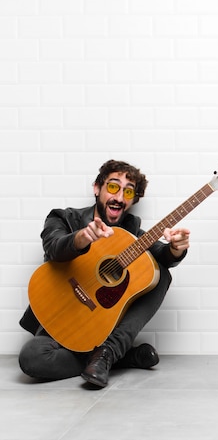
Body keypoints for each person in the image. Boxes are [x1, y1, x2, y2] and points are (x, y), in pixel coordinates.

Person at [18, 159, 190, 388]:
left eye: (128, 192)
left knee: (159, 274)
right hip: (59, 319)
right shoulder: (64, 218)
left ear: (132, 200)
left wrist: (175, 249)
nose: (119, 197)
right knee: (32, 357)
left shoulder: (130, 235)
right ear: (97, 188)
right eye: (112, 187)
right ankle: (119, 358)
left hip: (99, 328)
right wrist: (81, 238)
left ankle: (107, 352)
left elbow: (162, 253)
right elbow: (54, 247)